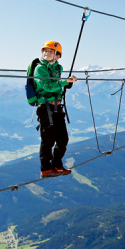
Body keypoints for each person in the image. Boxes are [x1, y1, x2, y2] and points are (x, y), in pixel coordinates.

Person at [34, 41, 77, 177]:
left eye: (50, 51)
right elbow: (47, 86)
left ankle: (57, 165)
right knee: (48, 140)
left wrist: (66, 83)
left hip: (57, 107)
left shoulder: (58, 68)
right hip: (46, 108)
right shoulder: (39, 69)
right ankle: (46, 169)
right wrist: (65, 82)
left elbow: (56, 85)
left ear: (57, 56)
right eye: (45, 51)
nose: (47, 53)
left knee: (63, 139)